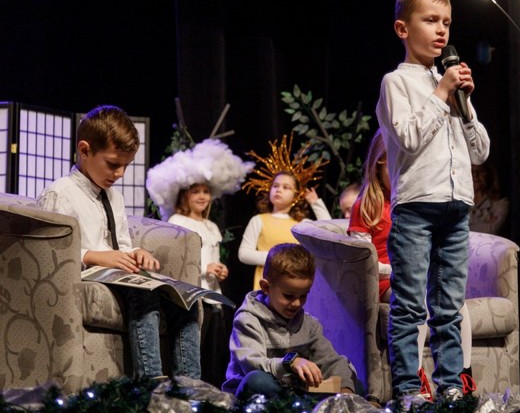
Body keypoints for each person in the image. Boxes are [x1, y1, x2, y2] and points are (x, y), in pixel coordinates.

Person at [375, 0, 490, 403]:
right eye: (430, 21)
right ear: (402, 29)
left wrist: (464, 104)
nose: (441, 31)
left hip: (456, 207)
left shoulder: (450, 86)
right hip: (416, 207)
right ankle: (409, 389)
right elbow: (408, 138)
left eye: (447, 23)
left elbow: (480, 152)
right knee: (410, 304)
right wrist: (441, 94)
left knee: (450, 305)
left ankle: (451, 385)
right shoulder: (396, 83)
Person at [37, 104, 201, 380]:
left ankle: (188, 383)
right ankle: (149, 380)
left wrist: (135, 252)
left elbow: (120, 244)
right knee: (143, 292)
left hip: (115, 274)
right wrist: (94, 256)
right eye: (113, 164)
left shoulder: (114, 196)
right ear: (85, 151)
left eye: (126, 165)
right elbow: (49, 254)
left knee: (185, 301)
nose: (120, 173)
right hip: (84, 274)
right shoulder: (60, 194)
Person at [347, 128, 476, 400]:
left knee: (455, 305)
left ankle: (462, 373)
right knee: (414, 302)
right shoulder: (368, 205)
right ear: (381, 163)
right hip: (386, 281)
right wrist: (396, 270)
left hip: (418, 275)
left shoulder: (420, 205)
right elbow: (361, 261)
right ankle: (414, 376)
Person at [145, 138, 253, 387]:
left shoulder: (211, 226)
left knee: (215, 353)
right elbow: (175, 260)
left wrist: (219, 269)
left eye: (205, 191)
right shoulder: (178, 221)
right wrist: (204, 270)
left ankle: (213, 390)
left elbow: (212, 258)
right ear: (184, 196)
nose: (202, 196)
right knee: (194, 348)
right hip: (192, 294)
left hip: (213, 296)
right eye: (196, 192)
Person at [222, 242, 362, 399]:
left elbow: (331, 361)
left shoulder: (309, 324)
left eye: (303, 296)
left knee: (353, 382)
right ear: (266, 287)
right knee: (258, 381)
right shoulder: (247, 320)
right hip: (257, 397)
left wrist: (345, 390)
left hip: (296, 395)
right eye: (288, 296)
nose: (296, 303)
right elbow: (251, 364)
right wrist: (291, 363)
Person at [238, 135, 331, 290]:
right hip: (267, 287)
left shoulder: (302, 225)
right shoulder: (259, 220)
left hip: (294, 287)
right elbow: (244, 254)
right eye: (275, 186)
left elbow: (328, 232)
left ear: (296, 195)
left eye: (286, 187)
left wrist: (316, 203)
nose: (279, 190)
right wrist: (277, 258)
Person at [469, 160, 509, 235]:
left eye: (480, 171)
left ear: (489, 174)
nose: (475, 175)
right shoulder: (460, 201)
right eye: (472, 171)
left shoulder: (500, 204)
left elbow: (490, 231)